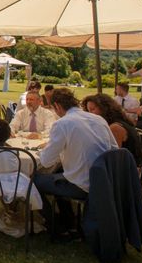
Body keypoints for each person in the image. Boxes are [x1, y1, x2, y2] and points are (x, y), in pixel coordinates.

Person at [34, 88, 117, 235]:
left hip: (83, 184)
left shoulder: (62, 123)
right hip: (106, 181)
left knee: (33, 181)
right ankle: (69, 219)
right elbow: (114, 150)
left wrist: (47, 149)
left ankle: (56, 226)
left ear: (57, 106)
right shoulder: (99, 119)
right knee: (60, 173)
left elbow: (46, 161)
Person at [81, 93, 142, 167]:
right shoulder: (117, 121)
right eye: (88, 111)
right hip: (123, 166)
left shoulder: (115, 127)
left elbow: (114, 159)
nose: (90, 114)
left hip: (128, 171)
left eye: (92, 109)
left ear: (104, 108)